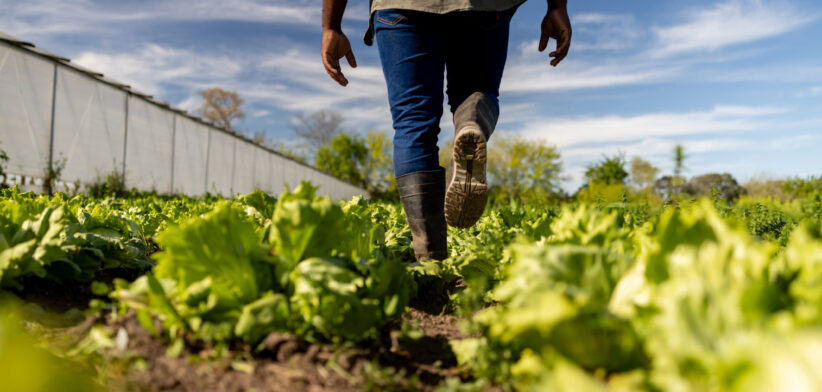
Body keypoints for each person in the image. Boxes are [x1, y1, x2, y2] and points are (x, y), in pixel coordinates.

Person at [321, 0, 571, 261]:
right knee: (477, 90)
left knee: (413, 121)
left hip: (401, 7)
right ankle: (471, 123)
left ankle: (431, 262)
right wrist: (557, 7)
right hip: (482, 7)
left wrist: (331, 26)